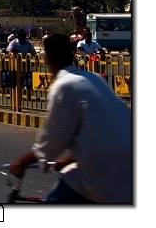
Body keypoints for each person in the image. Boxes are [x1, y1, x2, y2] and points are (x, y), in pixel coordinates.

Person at [8, 33, 131, 203]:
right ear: (72, 54)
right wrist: (69, 159)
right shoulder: (94, 78)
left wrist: (23, 162)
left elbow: (54, 139)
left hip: (102, 173)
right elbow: (103, 132)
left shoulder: (64, 86)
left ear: (47, 59)